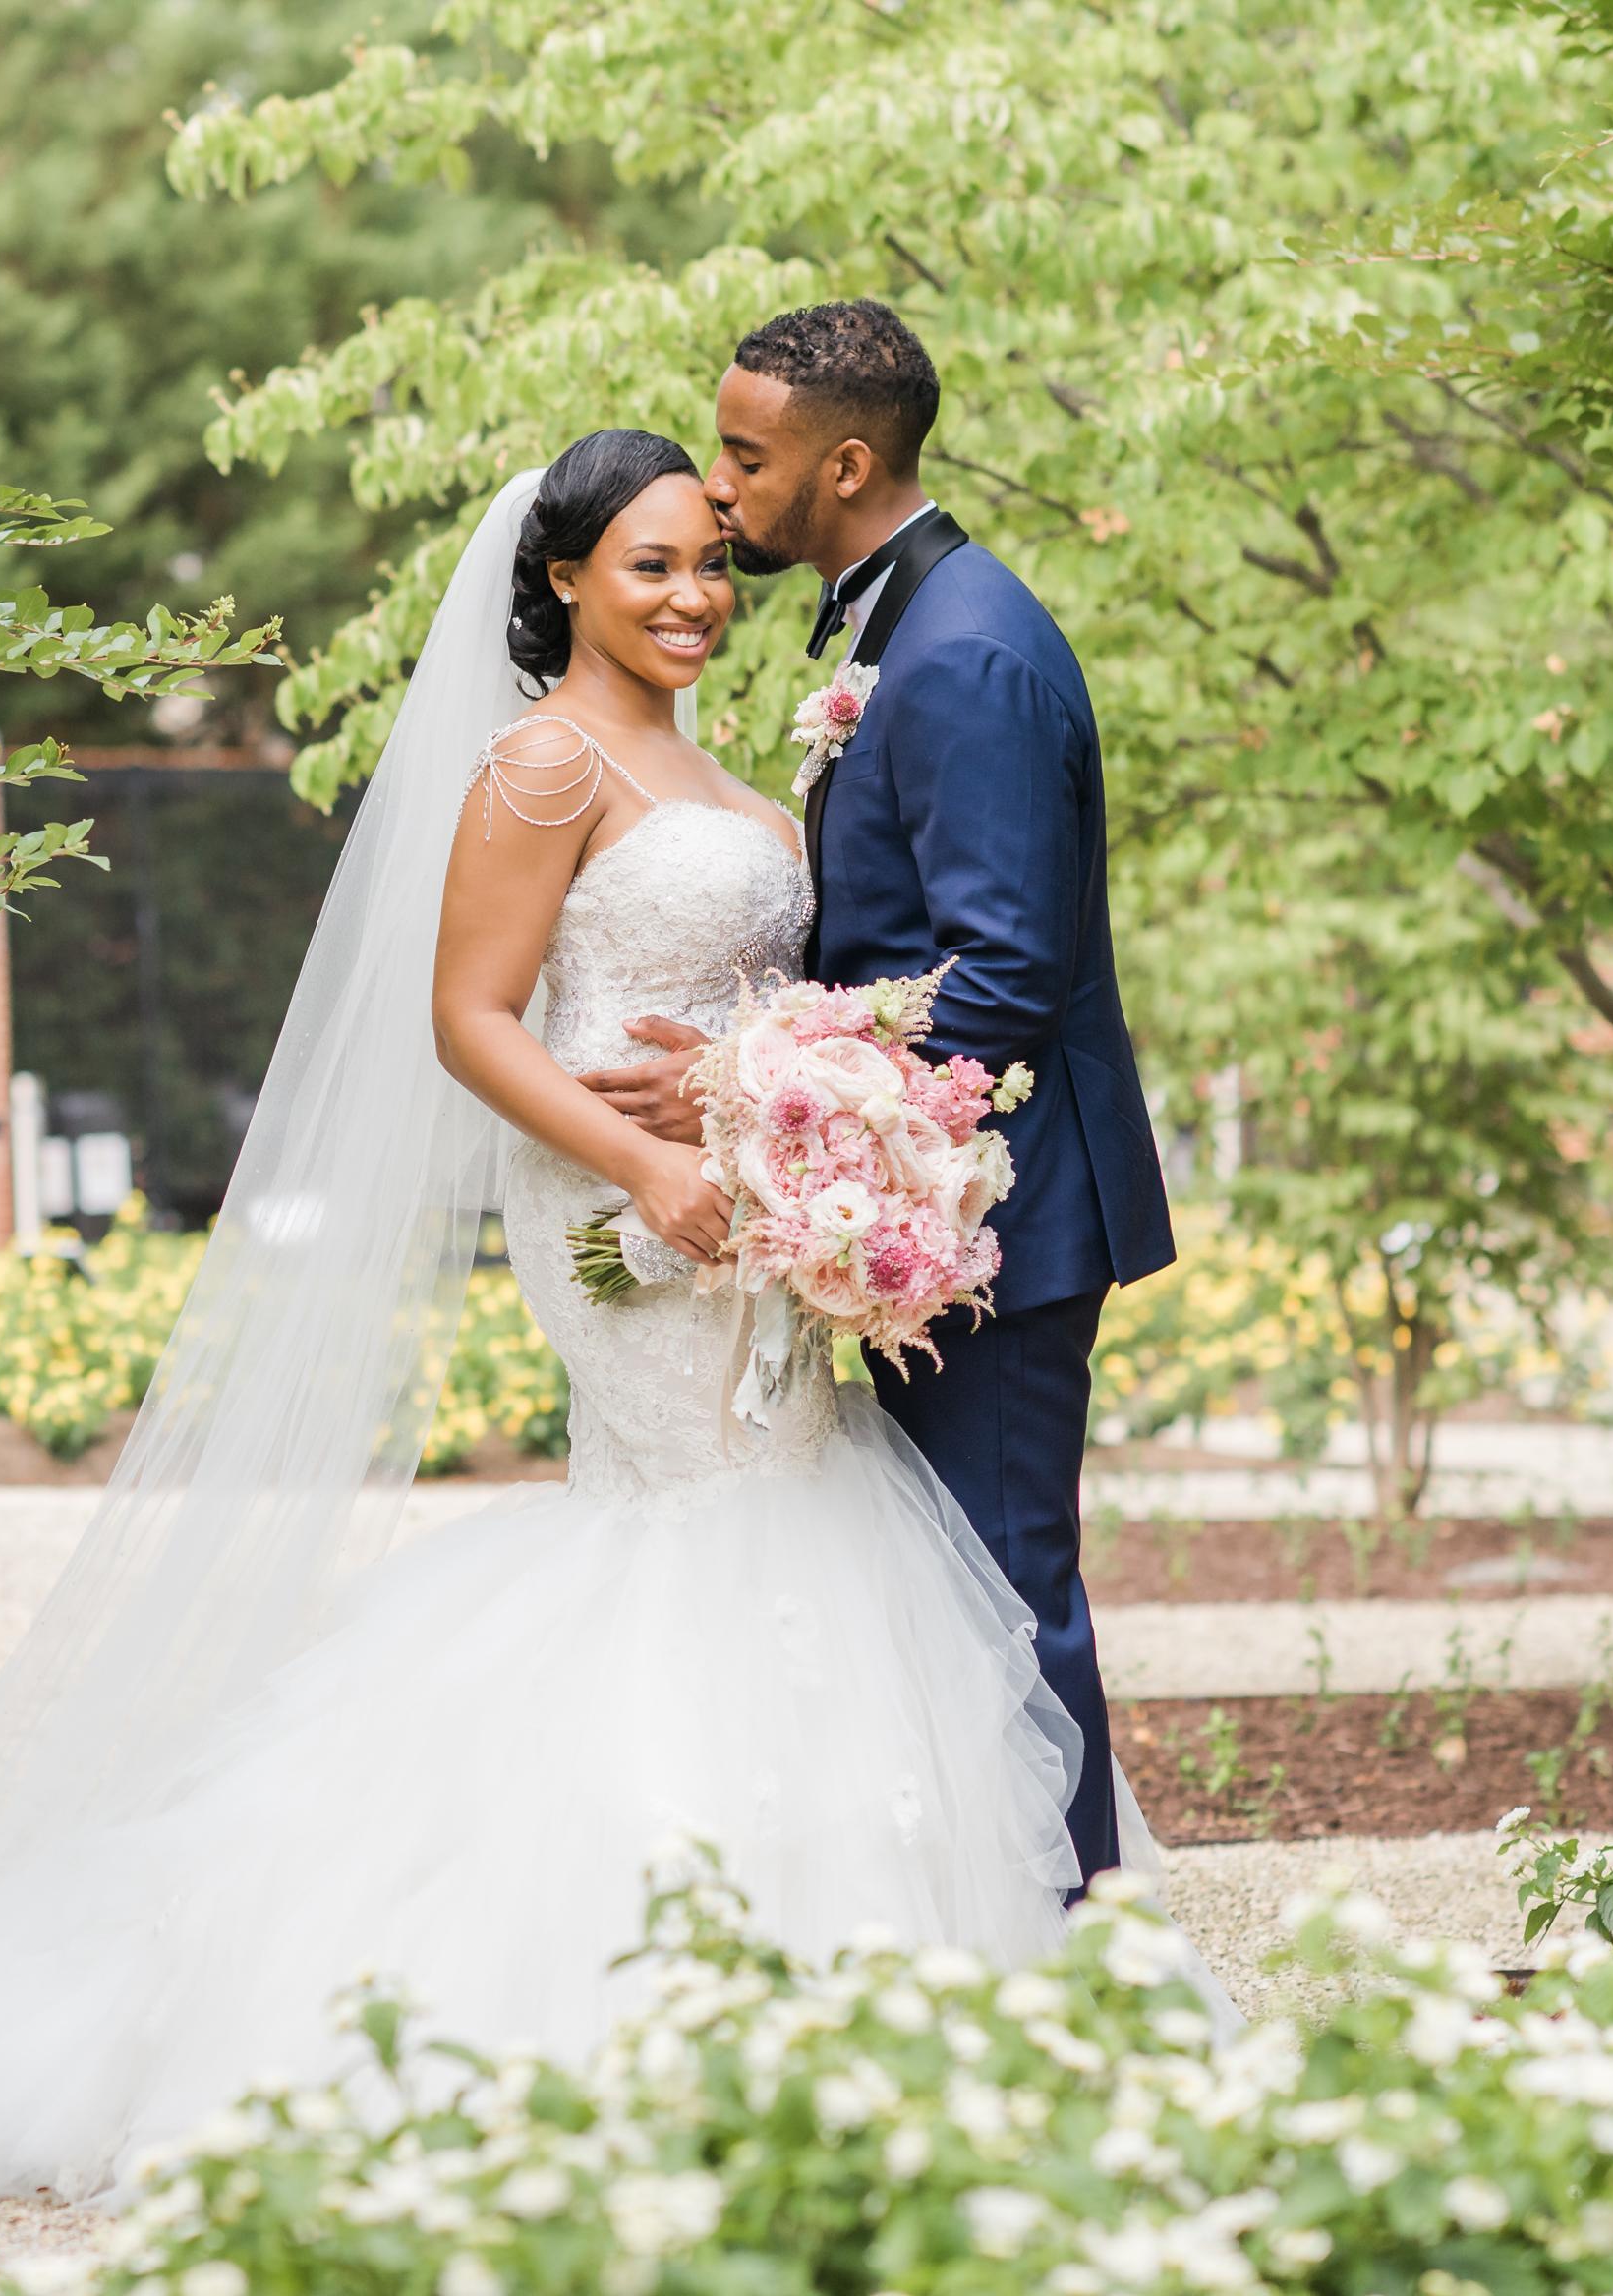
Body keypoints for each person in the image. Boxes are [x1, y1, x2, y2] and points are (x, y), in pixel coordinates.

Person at [0, 427, 1221, 2203]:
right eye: (648, 565)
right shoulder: (537, 764)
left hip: (748, 1208)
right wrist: (650, 1170)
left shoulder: (721, 770)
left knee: (797, 1520)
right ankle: (676, 2011)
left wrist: (791, 1120)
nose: (690, 598)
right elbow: (474, 1017)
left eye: (709, 565)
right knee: (711, 1523)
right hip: (624, 1213)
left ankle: (859, 2004)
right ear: (567, 578)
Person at [584, 301, 1177, 1883]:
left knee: (1000, 1589)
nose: (717, 491)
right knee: (936, 1601)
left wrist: (751, 1087)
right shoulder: (889, 622)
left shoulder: (967, 649)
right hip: (918, 1201)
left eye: (744, 457)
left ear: (845, 465)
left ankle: (1069, 1956)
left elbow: (998, 985)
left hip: (999, 1220)